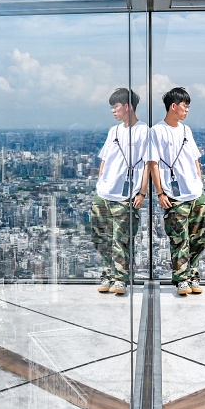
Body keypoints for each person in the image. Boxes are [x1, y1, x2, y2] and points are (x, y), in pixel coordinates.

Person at [148, 87, 205, 296]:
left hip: (195, 193)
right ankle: (182, 279)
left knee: (199, 238)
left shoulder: (186, 130)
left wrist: (199, 182)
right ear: (174, 106)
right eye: (185, 106)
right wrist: (160, 193)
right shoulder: (156, 132)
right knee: (178, 238)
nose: (187, 110)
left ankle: (193, 275)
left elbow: (194, 159)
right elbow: (152, 164)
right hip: (174, 195)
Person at [91, 88, 149, 295]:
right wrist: (100, 182)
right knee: (101, 237)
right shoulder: (113, 131)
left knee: (122, 239)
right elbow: (105, 159)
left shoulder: (144, 132)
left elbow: (149, 165)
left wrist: (141, 193)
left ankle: (121, 278)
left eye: (115, 106)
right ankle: (108, 273)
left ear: (127, 107)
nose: (113, 111)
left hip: (125, 195)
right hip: (104, 193)